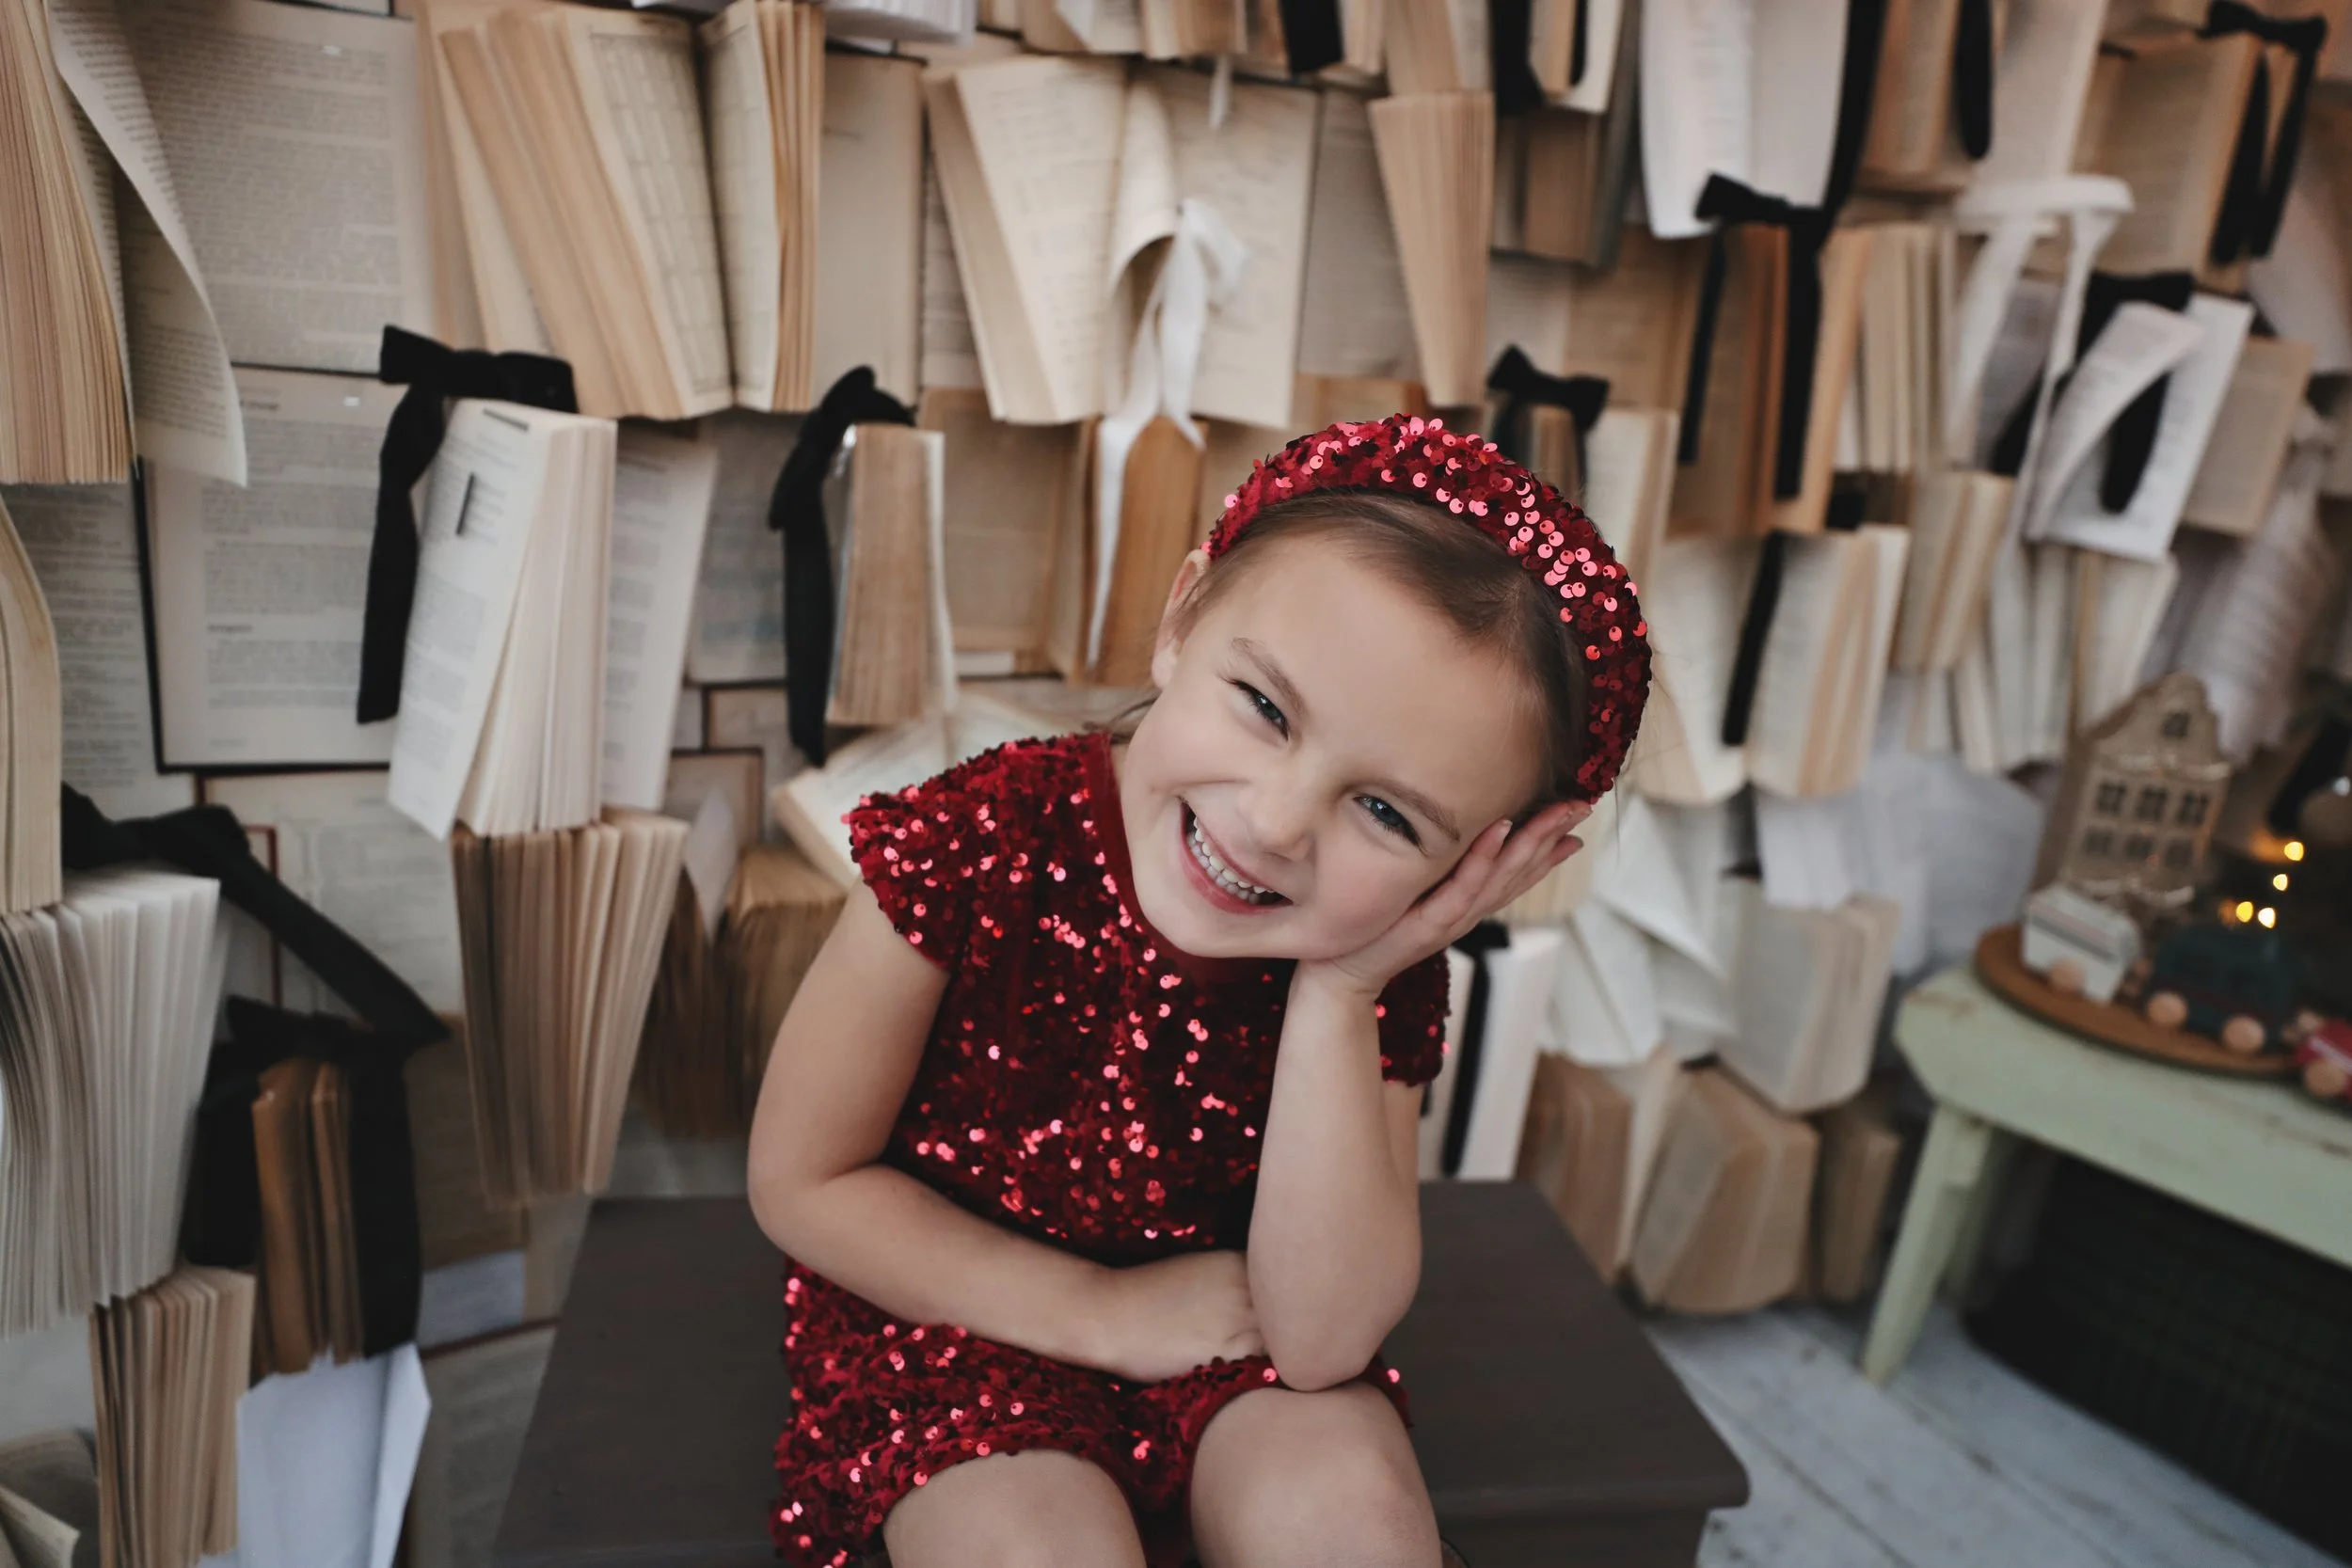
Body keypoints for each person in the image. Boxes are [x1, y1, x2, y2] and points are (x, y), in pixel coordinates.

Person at [748, 414, 1651, 1568]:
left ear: (1485, 859)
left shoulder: (1379, 959)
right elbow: (802, 1178)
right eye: (1265, 708)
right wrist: (1096, 1311)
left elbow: (1320, 1336)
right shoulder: (978, 836)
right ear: (1182, 619)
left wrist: (1342, 988)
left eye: (1386, 813)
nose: (1273, 824)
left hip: (1230, 1315)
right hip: (949, 1306)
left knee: (1358, 1526)